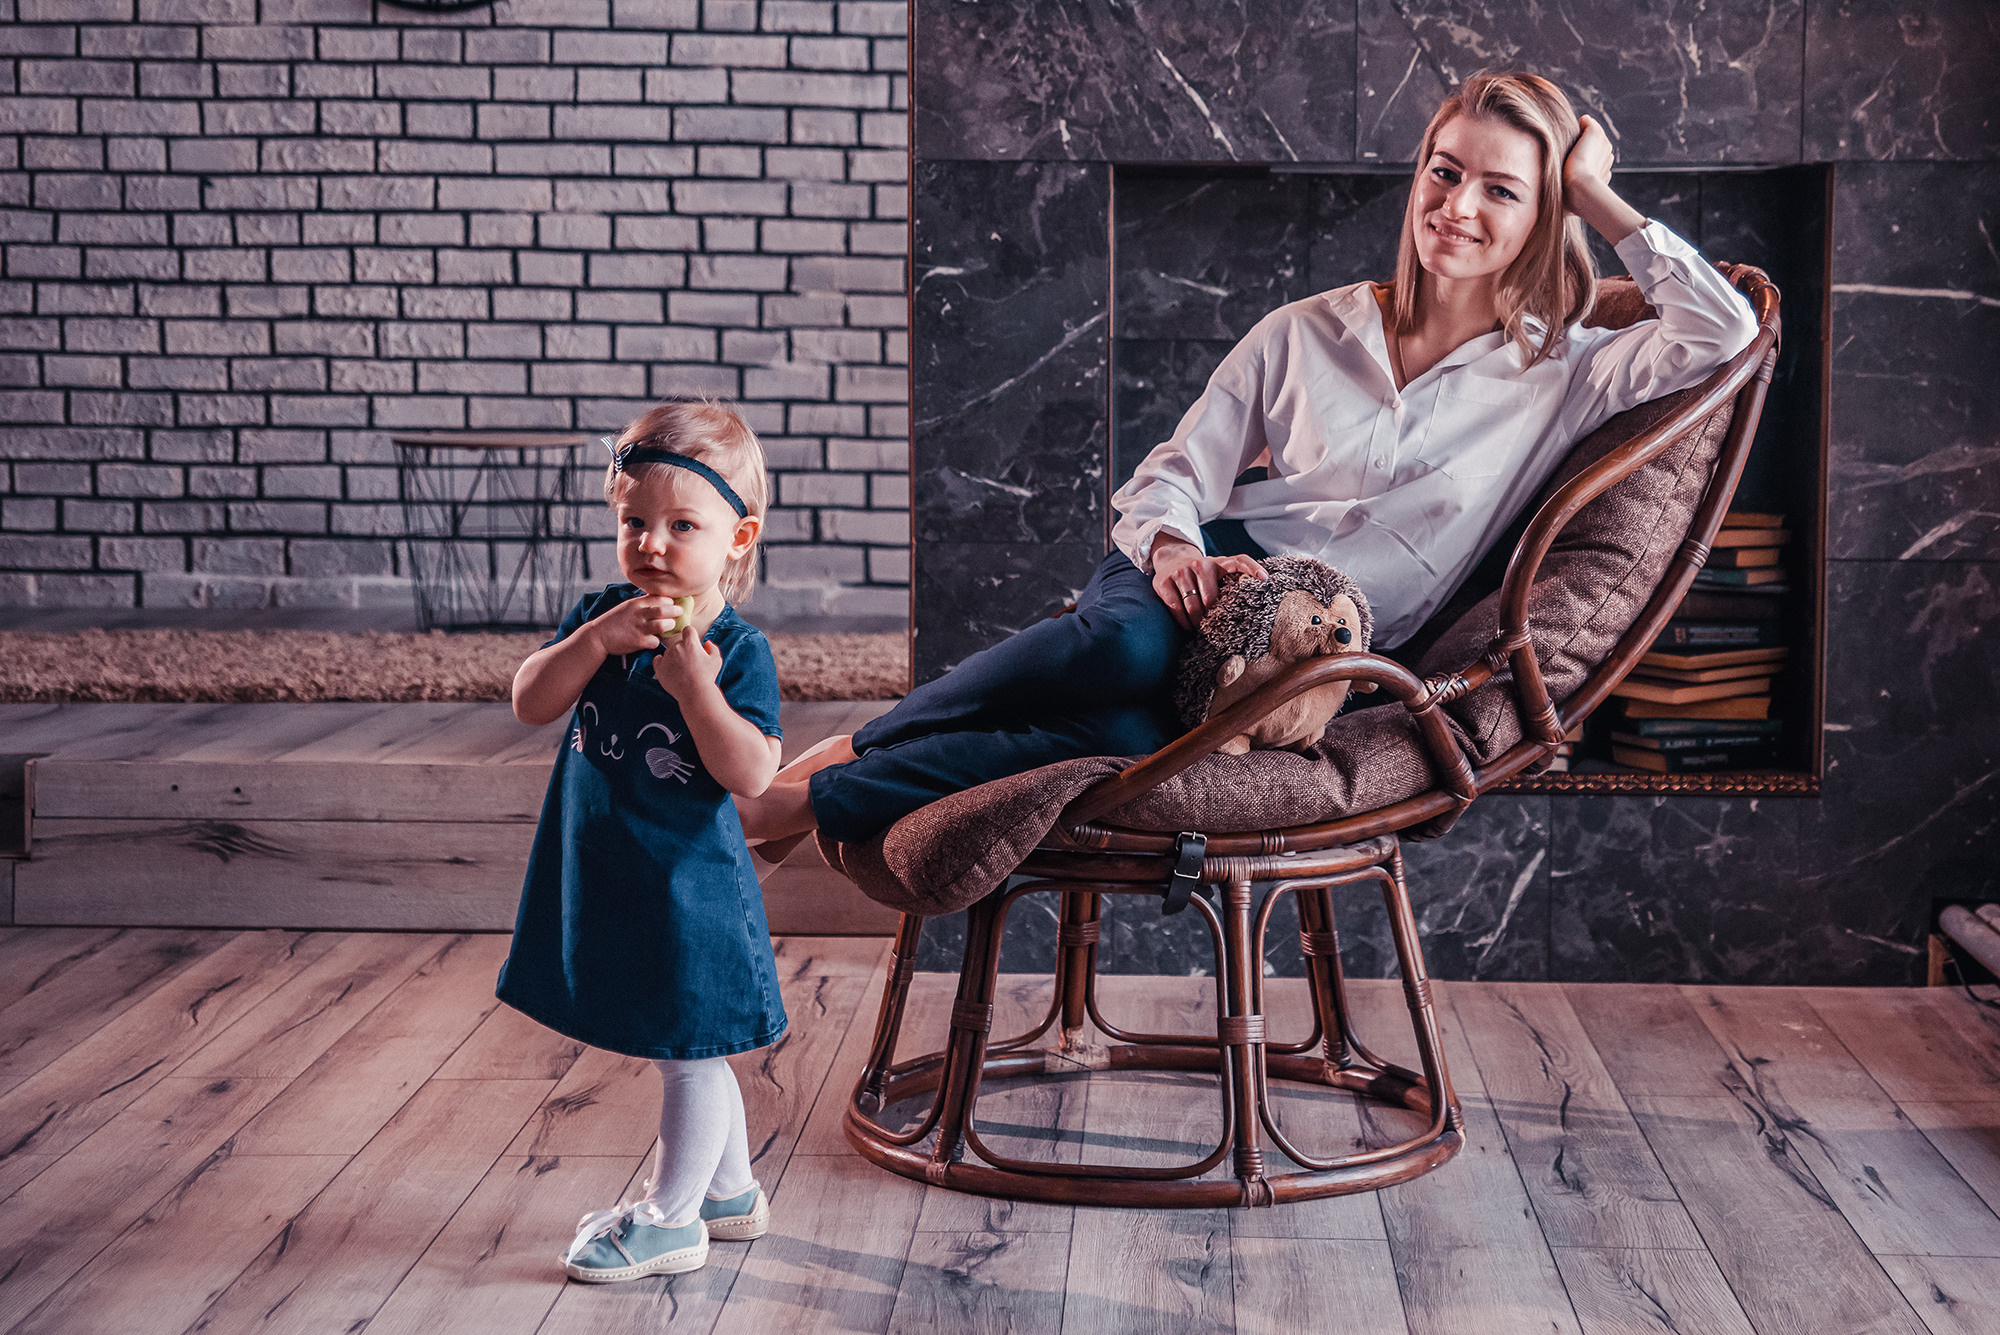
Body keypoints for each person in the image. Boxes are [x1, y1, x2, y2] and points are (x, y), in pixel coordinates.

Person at [738, 69, 1760, 853]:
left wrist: (1596, 192)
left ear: (1545, 216)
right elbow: (1176, 473)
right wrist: (1177, 546)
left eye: (1503, 190)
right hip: (1206, 562)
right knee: (1121, 656)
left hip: (1316, 641)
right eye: (1444, 172)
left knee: (1133, 740)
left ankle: (821, 793)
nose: (1457, 205)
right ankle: (863, 749)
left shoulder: (1566, 369)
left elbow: (1723, 335)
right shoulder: (1307, 331)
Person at [497, 400, 785, 1283]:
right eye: (634, 522)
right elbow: (529, 701)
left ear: (739, 537)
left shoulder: (736, 649)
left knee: (690, 1045)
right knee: (680, 1040)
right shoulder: (600, 616)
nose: (652, 545)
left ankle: (671, 1218)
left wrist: (697, 691)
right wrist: (591, 641)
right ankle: (730, 1191)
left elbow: (754, 773)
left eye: (681, 525)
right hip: (607, 869)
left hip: (688, 889)